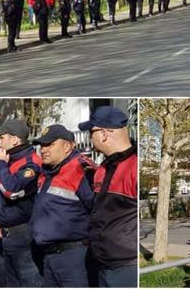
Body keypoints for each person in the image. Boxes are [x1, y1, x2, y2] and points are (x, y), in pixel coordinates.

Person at [29, 124, 95, 287]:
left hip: (74, 257)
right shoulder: (48, 171)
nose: (43, 150)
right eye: (42, 145)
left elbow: (98, 210)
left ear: (67, 146)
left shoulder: (81, 169)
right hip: (50, 256)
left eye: (50, 144)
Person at [79, 106, 137, 287]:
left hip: (124, 265)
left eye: (91, 132)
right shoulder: (103, 168)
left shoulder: (133, 167)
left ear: (104, 134)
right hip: (103, 261)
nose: (90, 137)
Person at [0, 119, 43, 287]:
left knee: (29, 281)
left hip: (23, 234)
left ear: (15, 139)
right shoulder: (8, 160)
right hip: (6, 234)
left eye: (1, 137)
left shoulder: (30, 162)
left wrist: (0, 164)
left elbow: (10, 190)